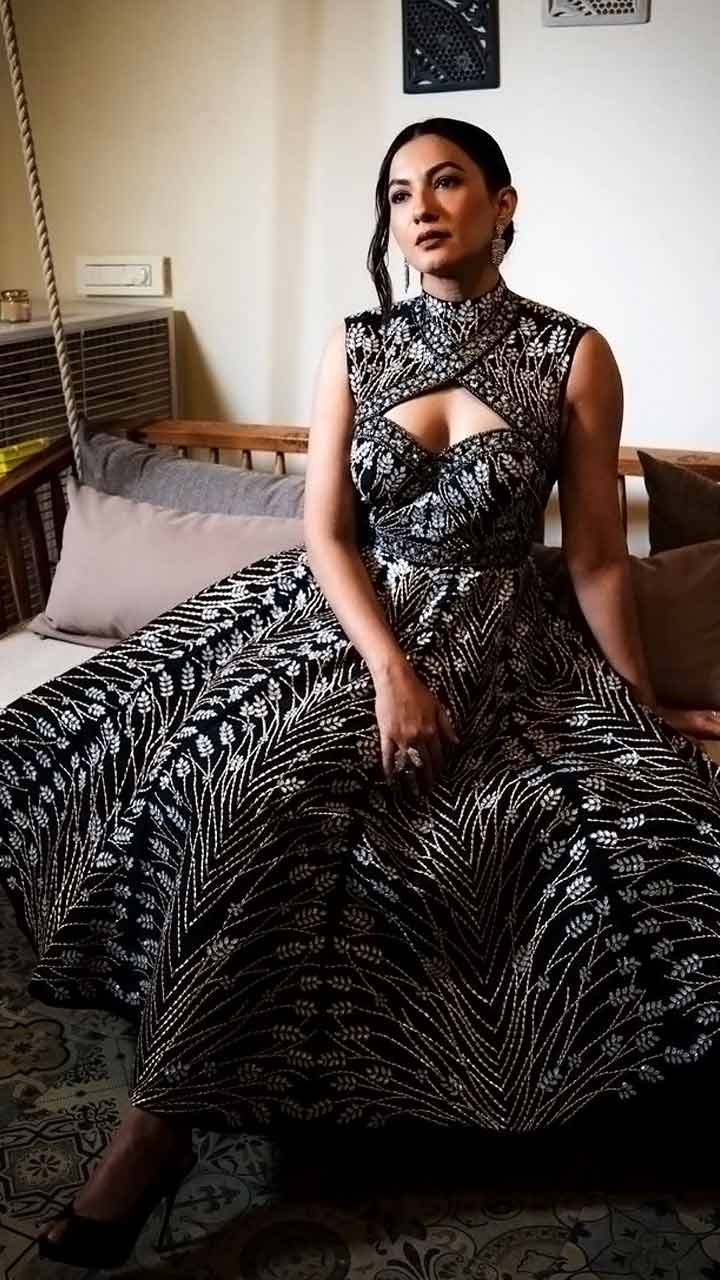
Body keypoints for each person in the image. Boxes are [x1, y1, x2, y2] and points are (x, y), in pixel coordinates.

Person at [1, 116, 719, 1268]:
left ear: (504, 203)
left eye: (448, 182)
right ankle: (159, 1125)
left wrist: (640, 705)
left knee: (666, 824)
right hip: (346, 621)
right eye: (398, 192)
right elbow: (328, 532)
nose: (420, 207)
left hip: (500, 636)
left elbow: (594, 556)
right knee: (235, 775)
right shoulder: (357, 344)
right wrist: (391, 669)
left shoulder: (574, 354)